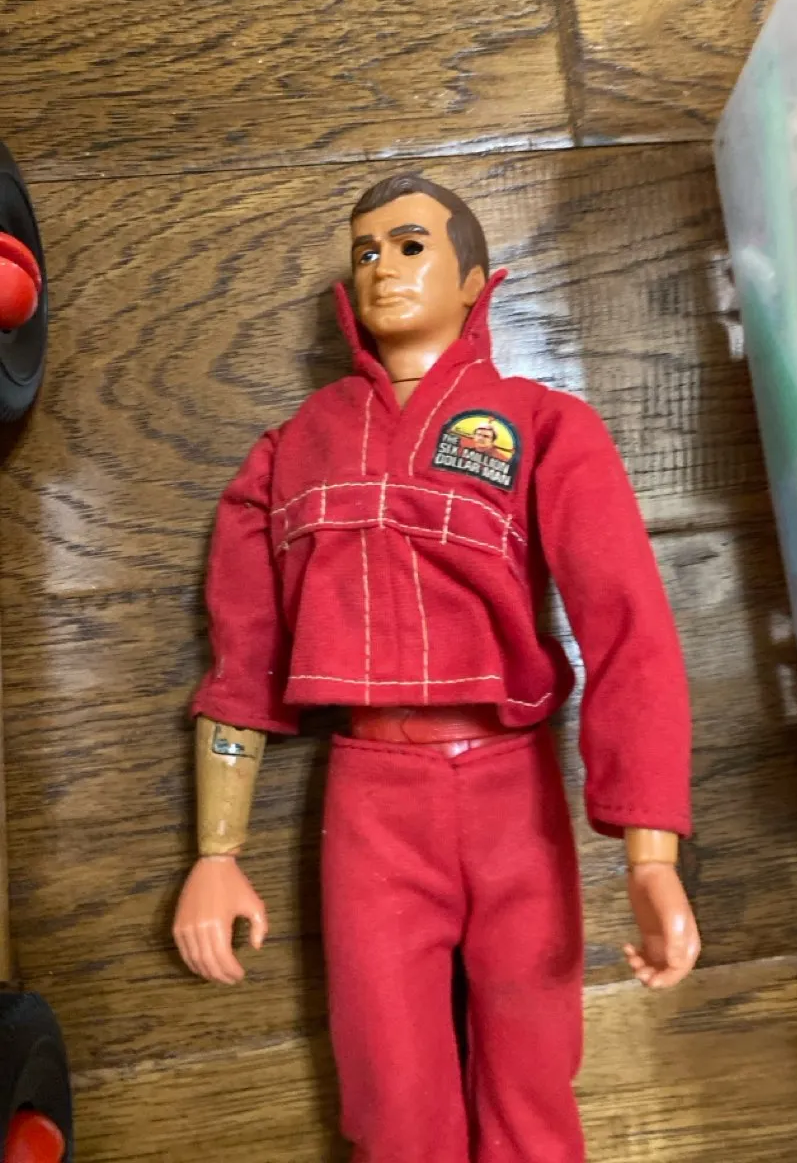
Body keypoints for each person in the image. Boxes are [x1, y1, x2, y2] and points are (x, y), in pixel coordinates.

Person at [173, 173, 701, 1163]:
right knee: (388, 1094)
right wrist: (216, 850)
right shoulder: (293, 448)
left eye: (411, 245)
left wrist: (651, 855)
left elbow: (627, 628)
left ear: (473, 279)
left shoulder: (544, 423)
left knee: (533, 1075)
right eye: (366, 250)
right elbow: (241, 660)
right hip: (371, 799)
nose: (382, 268)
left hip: (513, 791)